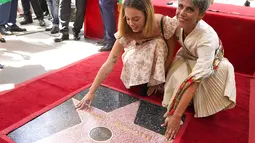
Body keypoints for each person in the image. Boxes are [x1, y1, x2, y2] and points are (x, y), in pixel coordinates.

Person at [76, 0, 177, 112]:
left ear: (147, 15)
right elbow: (110, 62)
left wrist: (159, 80)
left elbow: (170, 54)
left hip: (158, 53)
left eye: (136, 19)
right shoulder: (126, 30)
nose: (131, 23)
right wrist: (91, 92)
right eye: (127, 18)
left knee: (157, 44)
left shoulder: (162, 22)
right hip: (137, 51)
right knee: (137, 86)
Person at [161, 0, 236, 141]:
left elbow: (195, 79)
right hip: (187, 57)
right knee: (177, 76)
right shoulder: (176, 21)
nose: (181, 13)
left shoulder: (207, 39)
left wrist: (177, 116)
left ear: (200, 15)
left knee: (197, 87)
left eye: (189, 10)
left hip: (211, 66)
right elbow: (157, 23)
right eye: (180, 6)